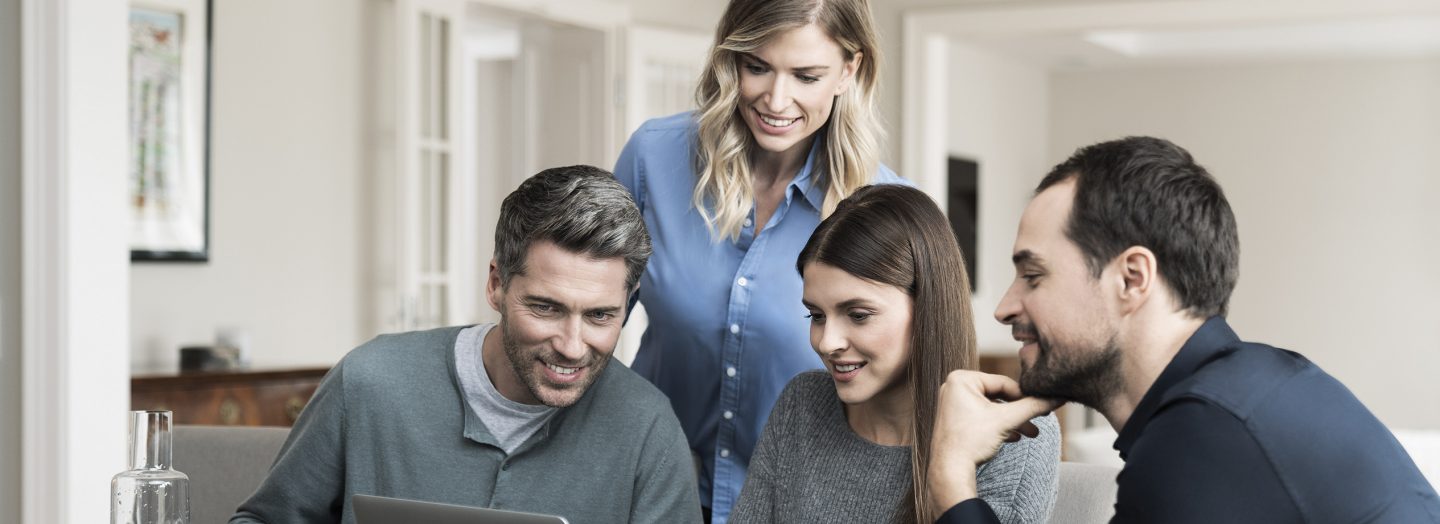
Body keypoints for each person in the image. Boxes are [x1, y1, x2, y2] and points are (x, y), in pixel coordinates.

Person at [926, 137, 1440, 523]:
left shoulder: (1204, 437)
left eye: (1033, 276)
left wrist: (951, 476)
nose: (1003, 307)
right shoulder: (1250, 389)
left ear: (1132, 279)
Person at [231, 166, 701, 524]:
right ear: (496, 284)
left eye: (600, 316)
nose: (573, 346)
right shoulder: (369, 382)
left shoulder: (649, 431)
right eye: (546, 308)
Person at [613, 1, 904, 520]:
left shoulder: (887, 208)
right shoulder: (653, 158)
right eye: (757, 66)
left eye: (806, 76)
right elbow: (594, 313)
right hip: (649, 492)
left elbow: (905, 387)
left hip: (797, 505)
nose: (776, 99)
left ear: (849, 70)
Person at [729, 185, 1059, 524]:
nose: (827, 343)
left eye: (858, 315)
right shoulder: (802, 404)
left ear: (928, 307)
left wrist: (950, 471)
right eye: (816, 315)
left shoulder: (1014, 435)